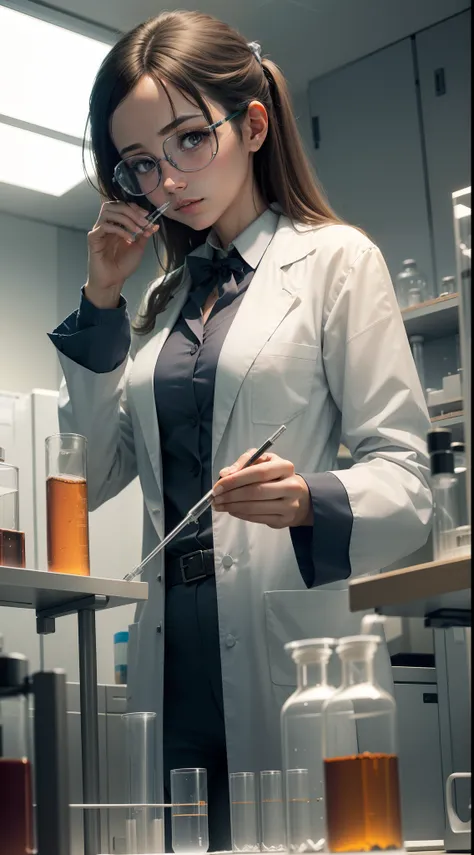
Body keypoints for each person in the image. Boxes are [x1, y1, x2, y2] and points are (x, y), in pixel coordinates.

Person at [49, 10, 432, 850]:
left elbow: (407, 478)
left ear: (252, 124)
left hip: (281, 633)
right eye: (140, 164)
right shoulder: (157, 306)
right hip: (168, 645)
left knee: (287, 834)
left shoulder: (334, 260)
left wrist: (308, 498)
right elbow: (98, 469)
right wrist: (104, 301)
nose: (167, 180)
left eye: (189, 140)